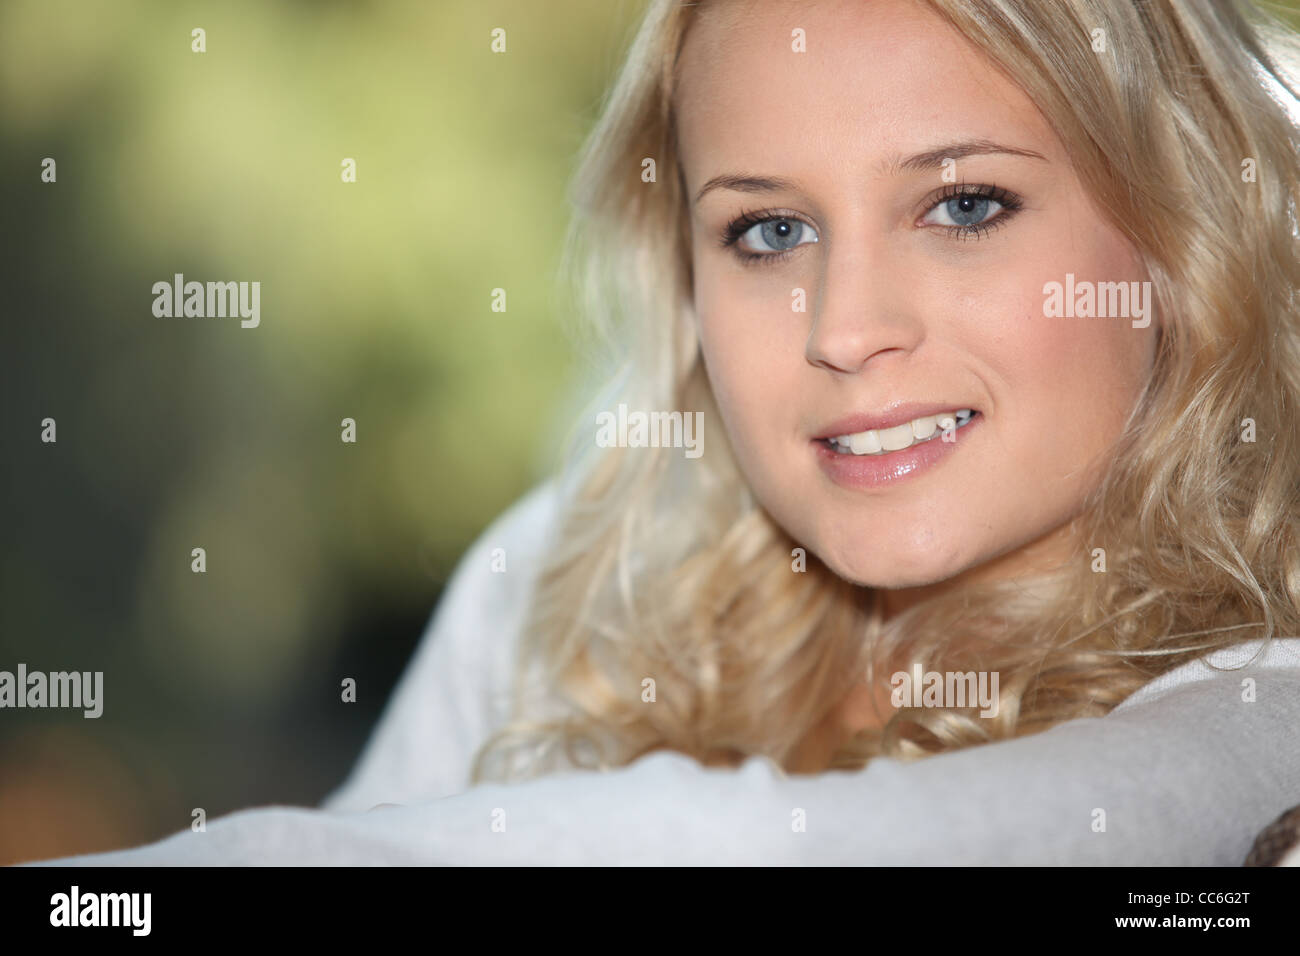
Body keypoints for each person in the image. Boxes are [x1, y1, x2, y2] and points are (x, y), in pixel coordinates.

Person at [38, 0, 1300, 865]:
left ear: (1176, 230)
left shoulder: (1264, 699)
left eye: (963, 204)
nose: (844, 328)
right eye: (767, 231)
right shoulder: (567, 577)